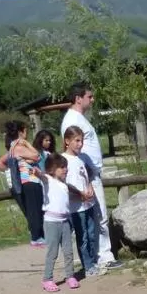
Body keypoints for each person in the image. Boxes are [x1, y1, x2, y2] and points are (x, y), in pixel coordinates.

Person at [60, 83, 123, 271]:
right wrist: (87, 173)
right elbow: (73, 149)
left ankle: (100, 254)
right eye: (89, 96)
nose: (92, 99)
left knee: (98, 215)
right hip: (87, 174)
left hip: (91, 171)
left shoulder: (80, 118)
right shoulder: (72, 119)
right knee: (99, 215)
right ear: (78, 98)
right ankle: (103, 256)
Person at [0, 120, 45, 246]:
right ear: (20, 132)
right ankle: (36, 237)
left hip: (24, 181)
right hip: (29, 180)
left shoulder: (12, 148)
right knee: (35, 209)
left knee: (32, 209)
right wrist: (27, 144)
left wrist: (10, 169)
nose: (27, 133)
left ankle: (38, 236)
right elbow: (37, 156)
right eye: (25, 130)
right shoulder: (19, 147)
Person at [63, 125, 102, 278]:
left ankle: (92, 262)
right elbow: (64, 183)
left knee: (92, 234)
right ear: (67, 141)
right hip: (76, 207)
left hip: (89, 203)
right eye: (77, 141)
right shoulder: (64, 160)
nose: (80, 144)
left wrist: (90, 187)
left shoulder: (81, 158)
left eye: (82, 141)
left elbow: (87, 176)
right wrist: (79, 193)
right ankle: (87, 265)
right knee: (83, 236)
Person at [40, 153, 78, 292]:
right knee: (53, 252)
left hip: (65, 222)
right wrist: (37, 172)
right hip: (51, 223)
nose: (65, 170)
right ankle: (47, 279)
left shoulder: (64, 185)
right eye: (62, 167)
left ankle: (70, 276)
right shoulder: (48, 180)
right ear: (52, 169)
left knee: (68, 251)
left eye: (66, 167)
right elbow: (41, 175)